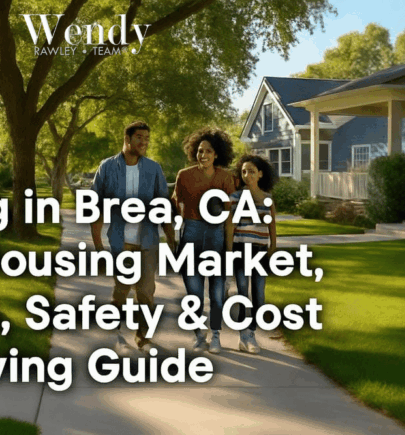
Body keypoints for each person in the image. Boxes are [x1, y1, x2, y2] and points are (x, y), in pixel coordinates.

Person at [91, 121, 176, 351]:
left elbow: (163, 207)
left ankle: (143, 337)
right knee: (121, 288)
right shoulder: (107, 167)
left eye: (147, 138)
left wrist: (171, 238)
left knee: (146, 292)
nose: (144, 142)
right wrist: (99, 248)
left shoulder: (153, 168)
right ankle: (115, 327)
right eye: (140, 137)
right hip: (121, 241)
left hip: (148, 241)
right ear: (127, 138)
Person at [172, 127, 236, 353]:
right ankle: (199, 336)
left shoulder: (226, 178)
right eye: (200, 151)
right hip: (191, 233)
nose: (203, 155)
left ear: (217, 154)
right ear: (194, 153)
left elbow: (230, 216)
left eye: (208, 151)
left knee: (216, 292)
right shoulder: (184, 175)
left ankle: (216, 335)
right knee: (194, 293)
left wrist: (229, 250)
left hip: (216, 234)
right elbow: (176, 205)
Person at [227, 154, 277, 354]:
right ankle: (245, 336)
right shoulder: (235, 197)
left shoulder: (267, 199)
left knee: (259, 296)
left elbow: (272, 223)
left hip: (259, 251)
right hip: (240, 248)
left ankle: (251, 333)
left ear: (260, 174)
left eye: (252, 172)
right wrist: (229, 251)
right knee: (242, 292)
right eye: (244, 172)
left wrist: (273, 246)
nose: (248, 175)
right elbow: (230, 225)